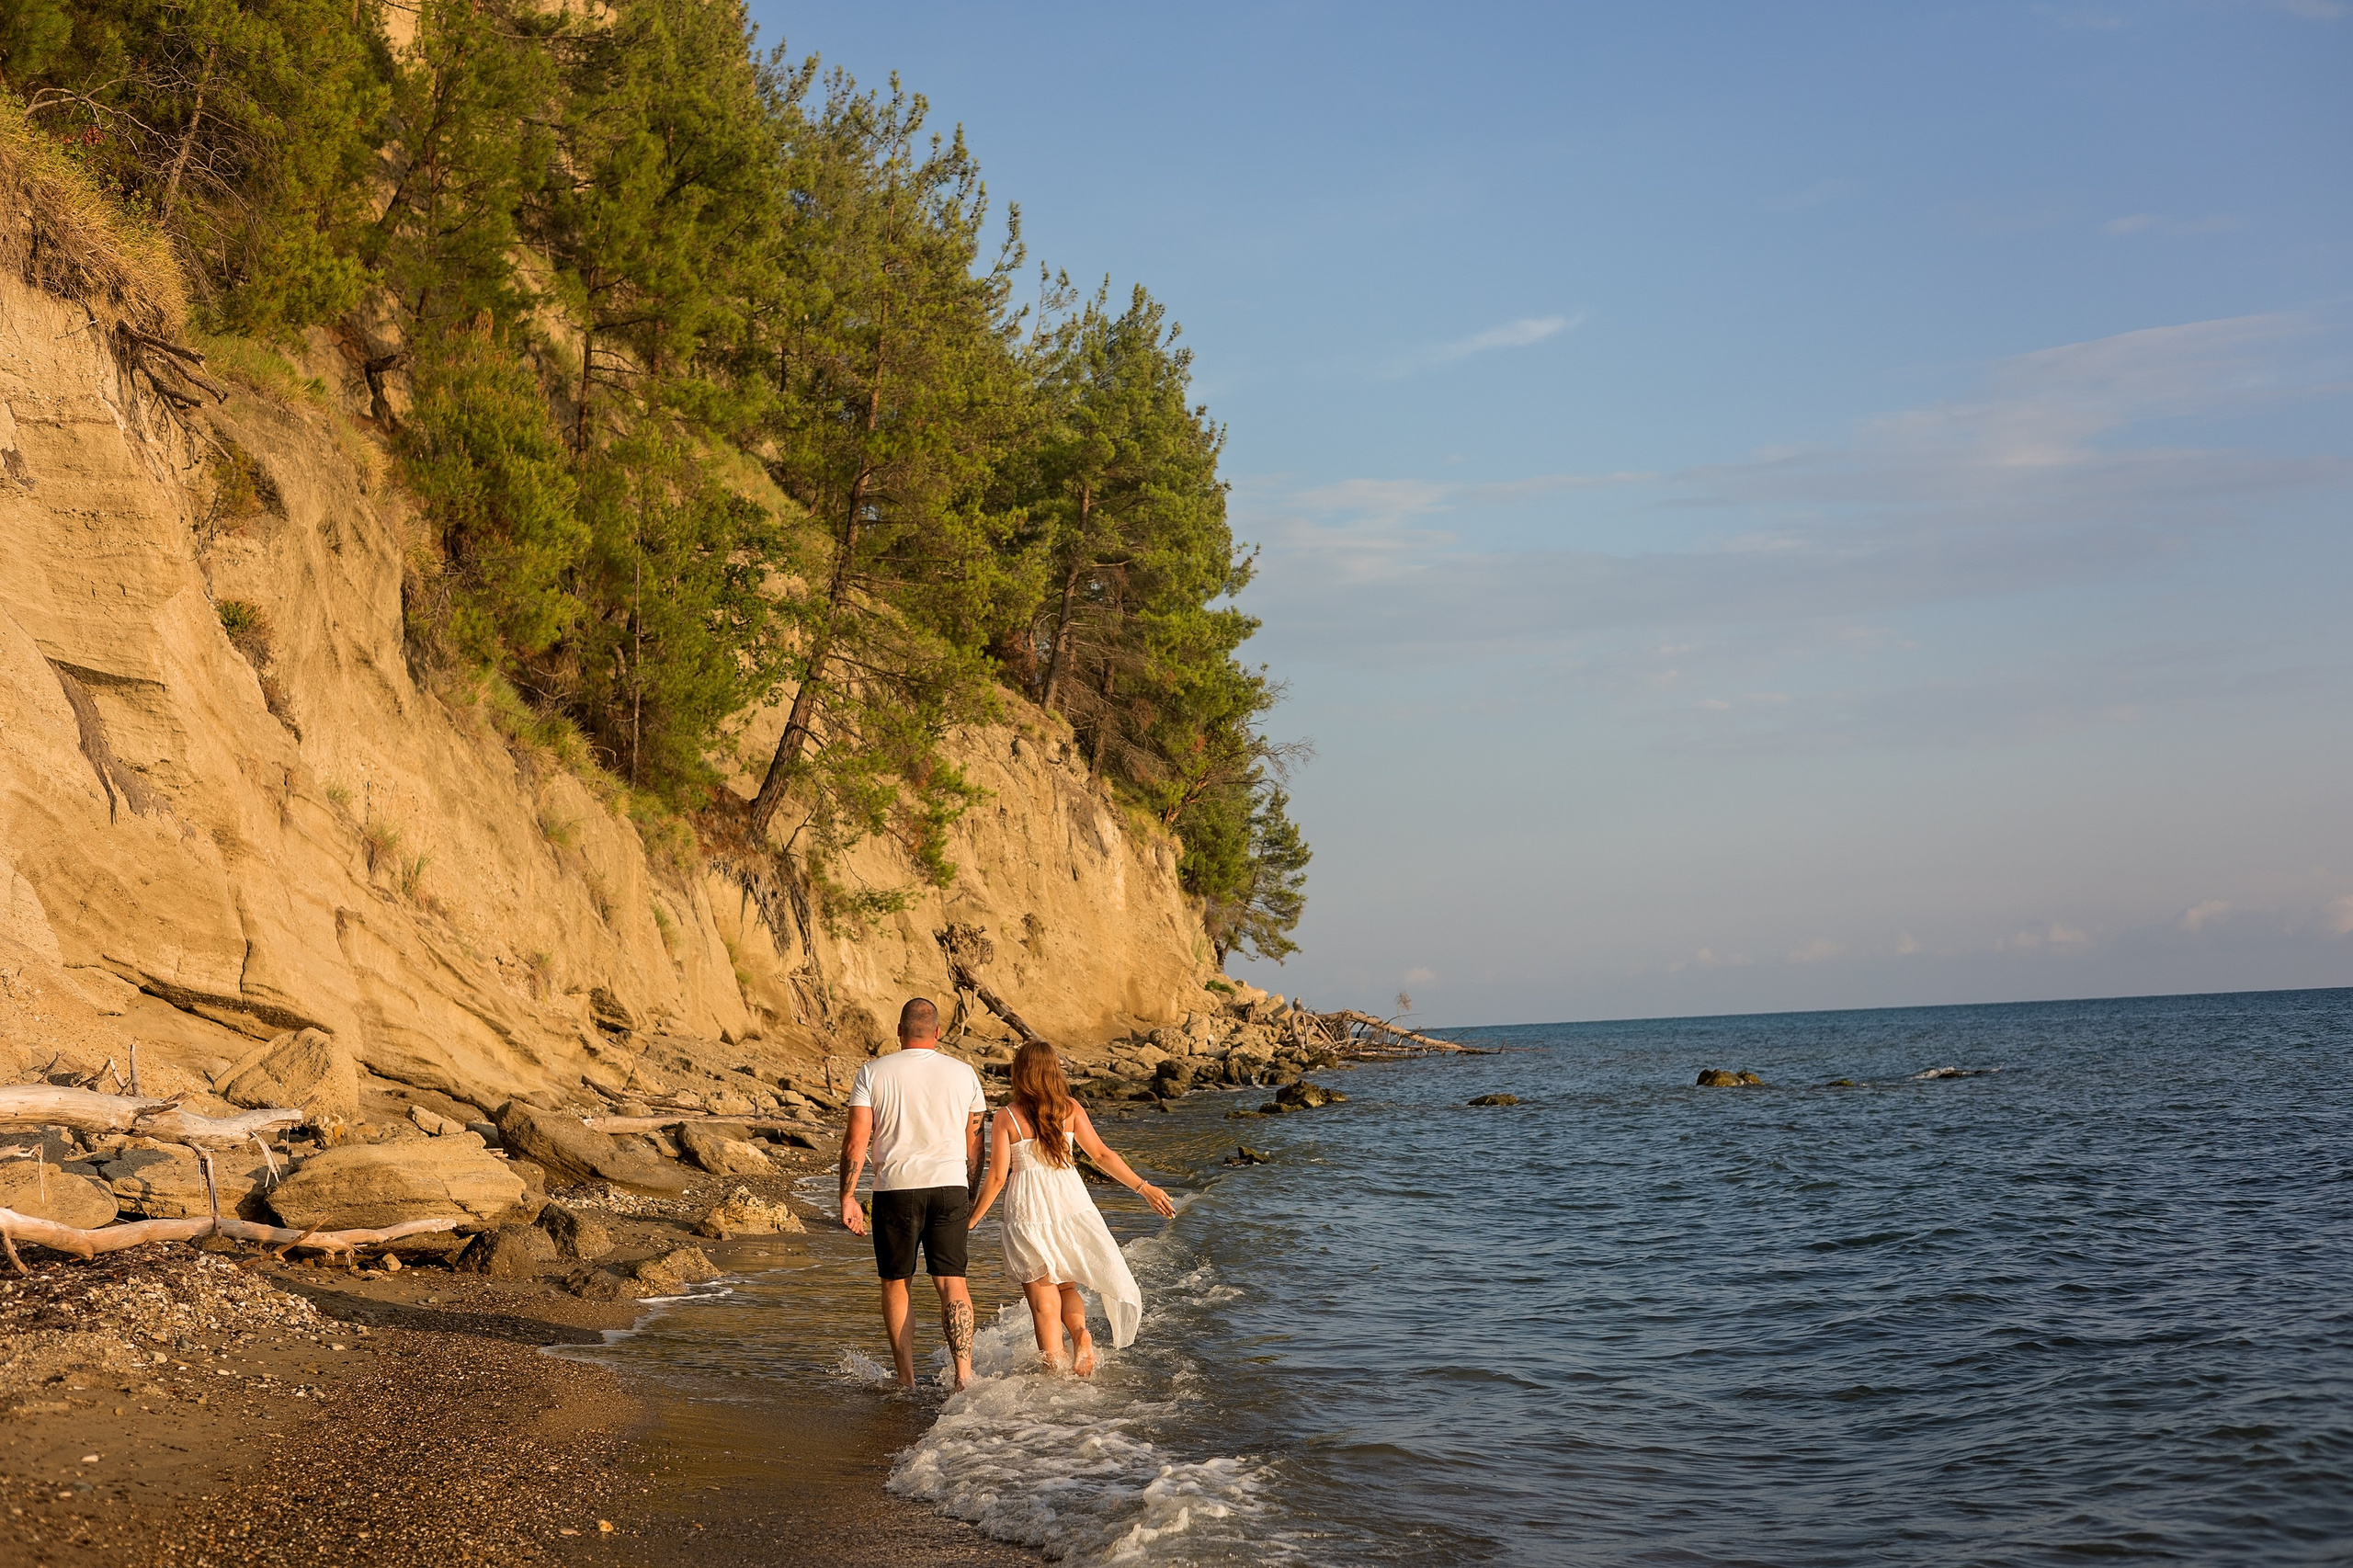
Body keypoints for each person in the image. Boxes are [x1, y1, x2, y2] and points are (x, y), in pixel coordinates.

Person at [967, 1040, 1176, 1375]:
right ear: (1053, 1071)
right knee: (1068, 1286)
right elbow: (1103, 1155)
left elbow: (996, 1177)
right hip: (1070, 1201)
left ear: (1020, 1073)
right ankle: (1081, 1335)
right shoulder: (1070, 1108)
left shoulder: (1007, 1116)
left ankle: (1056, 1376)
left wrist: (972, 1218)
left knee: (1043, 1304)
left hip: (1029, 1208)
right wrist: (1144, 1188)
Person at [839, 997, 987, 1391]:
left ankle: (906, 1381)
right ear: (938, 1032)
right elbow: (975, 1145)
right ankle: (964, 1376)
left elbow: (856, 1142)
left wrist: (847, 1197)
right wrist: (968, 1195)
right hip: (950, 1188)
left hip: (896, 1189)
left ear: (899, 1031)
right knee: (952, 1280)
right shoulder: (964, 1073)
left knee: (896, 1282)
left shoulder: (873, 1072)